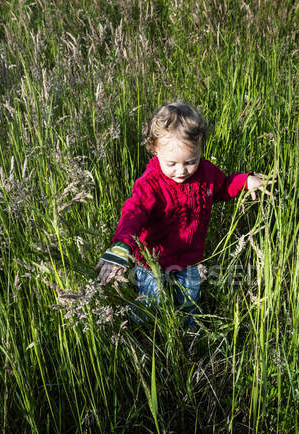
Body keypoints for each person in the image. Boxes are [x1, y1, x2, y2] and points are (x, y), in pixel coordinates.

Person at [95, 101, 273, 326]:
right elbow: (134, 213)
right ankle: (141, 332)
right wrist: (121, 246)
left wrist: (244, 181)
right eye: (171, 163)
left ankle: (189, 333)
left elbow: (223, 187)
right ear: (155, 150)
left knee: (189, 302)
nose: (181, 171)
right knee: (151, 303)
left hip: (190, 259)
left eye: (191, 161)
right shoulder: (150, 184)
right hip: (153, 262)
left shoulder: (206, 173)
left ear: (200, 149)